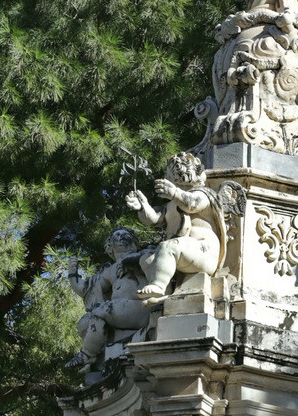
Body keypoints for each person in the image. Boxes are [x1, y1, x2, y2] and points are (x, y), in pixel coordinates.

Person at [125, 152, 224, 306]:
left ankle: (158, 285)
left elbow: (192, 204)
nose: (165, 177)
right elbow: (154, 219)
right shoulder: (171, 204)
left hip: (204, 251)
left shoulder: (203, 194)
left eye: (168, 174)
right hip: (183, 250)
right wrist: (142, 206)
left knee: (168, 247)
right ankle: (164, 292)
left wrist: (174, 193)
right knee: (147, 259)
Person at [68, 226, 152, 366]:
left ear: (134, 243)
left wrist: (130, 261)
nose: (122, 237)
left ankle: (87, 355)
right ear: (110, 246)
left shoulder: (143, 255)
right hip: (120, 309)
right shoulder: (110, 271)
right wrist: (72, 274)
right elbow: (87, 289)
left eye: (126, 235)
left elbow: (155, 259)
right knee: (84, 323)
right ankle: (98, 356)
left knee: (103, 310)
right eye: (117, 235)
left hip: (142, 307)